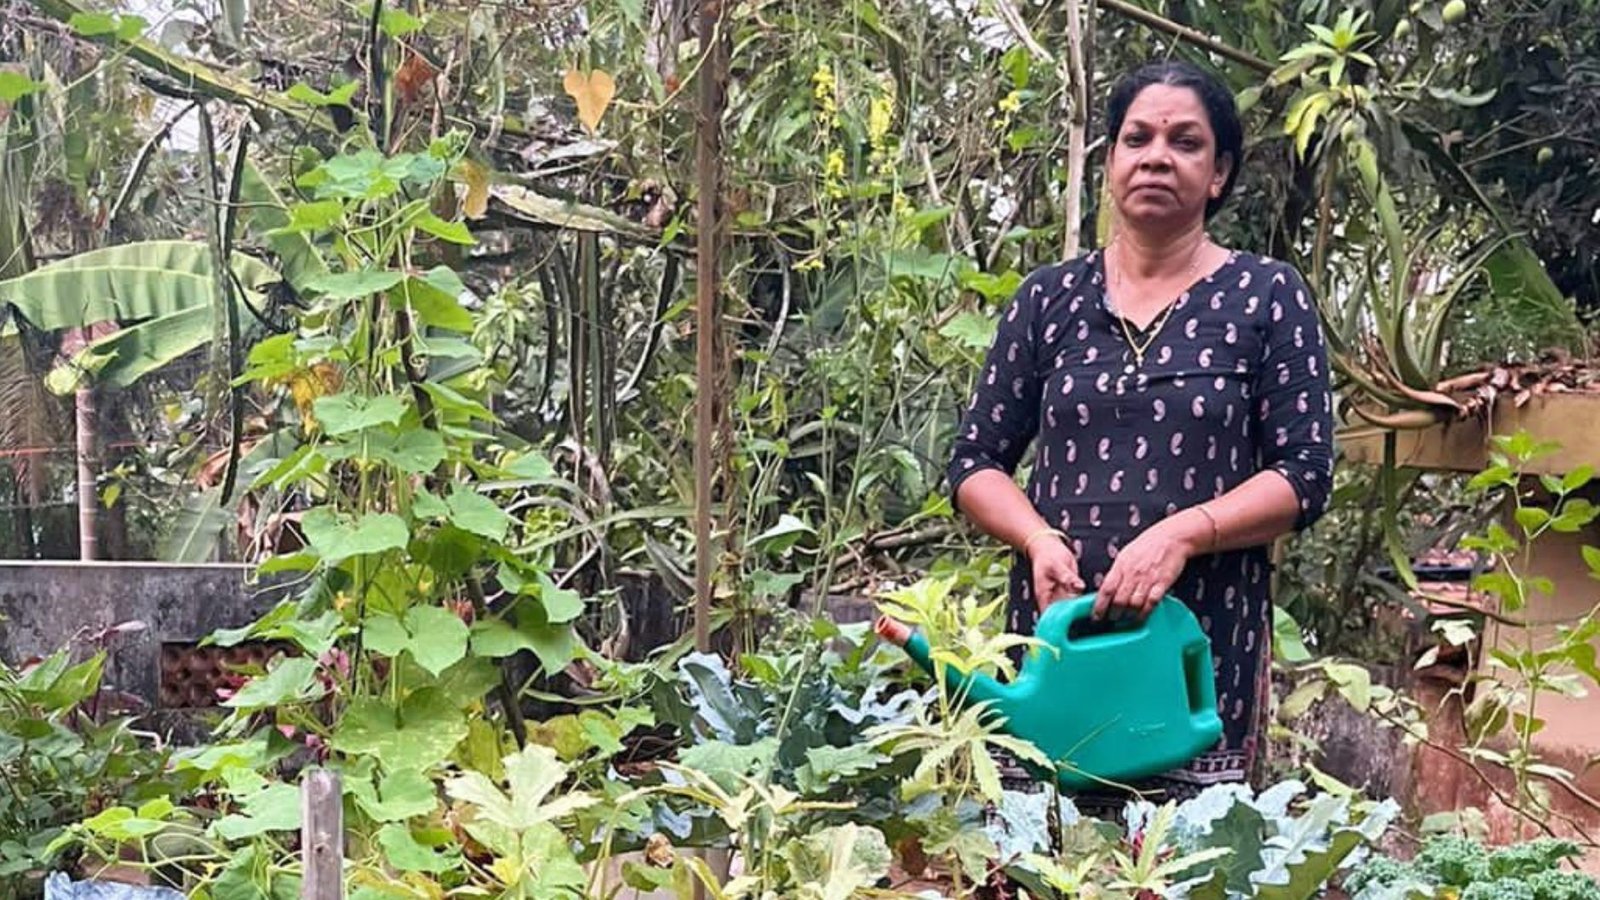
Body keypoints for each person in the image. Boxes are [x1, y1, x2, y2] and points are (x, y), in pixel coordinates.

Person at [946, 60, 1334, 809]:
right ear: (1112, 163)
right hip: (1056, 650)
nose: (1157, 155)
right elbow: (974, 461)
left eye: (1185, 142)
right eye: (1138, 138)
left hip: (1194, 654)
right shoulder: (1048, 300)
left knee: (1181, 871)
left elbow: (1306, 472)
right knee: (1044, 863)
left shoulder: (1266, 295)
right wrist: (1036, 539)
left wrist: (1183, 535)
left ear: (1218, 173)